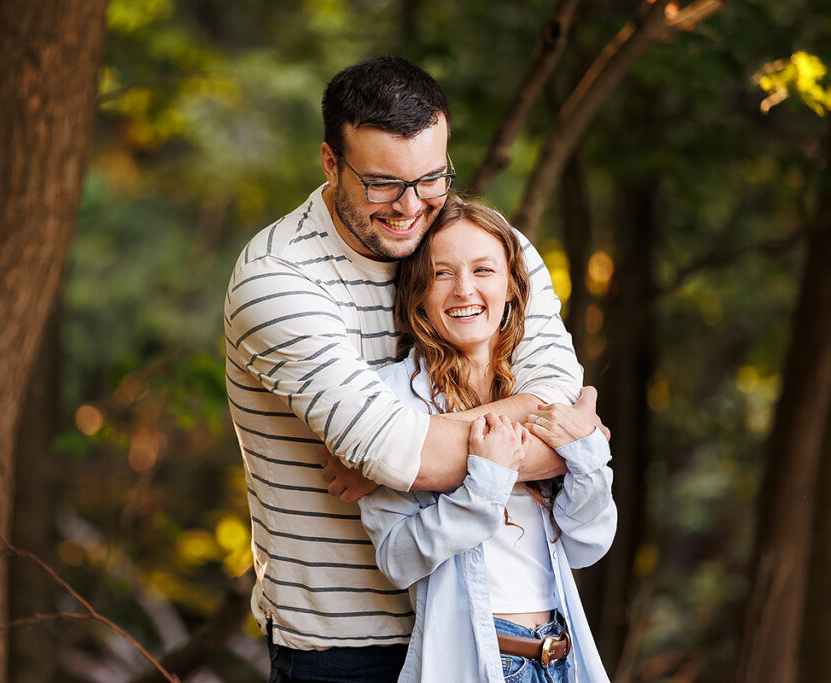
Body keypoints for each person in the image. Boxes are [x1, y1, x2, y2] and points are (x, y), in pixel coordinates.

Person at [224, 56, 585, 681]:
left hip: (492, 629)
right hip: (349, 646)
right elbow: (405, 454)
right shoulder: (278, 281)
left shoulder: (492, 250)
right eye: (383, 183)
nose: (411, 207)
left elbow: (562, 405)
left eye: (432, 179)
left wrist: (408, 461)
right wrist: (405, 458)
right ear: (331, 163)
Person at [359, 195, 616, 683]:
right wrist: (485, 488)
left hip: (561, 658)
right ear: (417, 290)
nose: (464, 289)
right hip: (481, 662)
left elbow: (588, 543)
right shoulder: (395, 400)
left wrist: (586, 456)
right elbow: (396, 559)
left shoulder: (538, 392)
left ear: (514, 288)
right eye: (441, 273)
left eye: (483, 270)